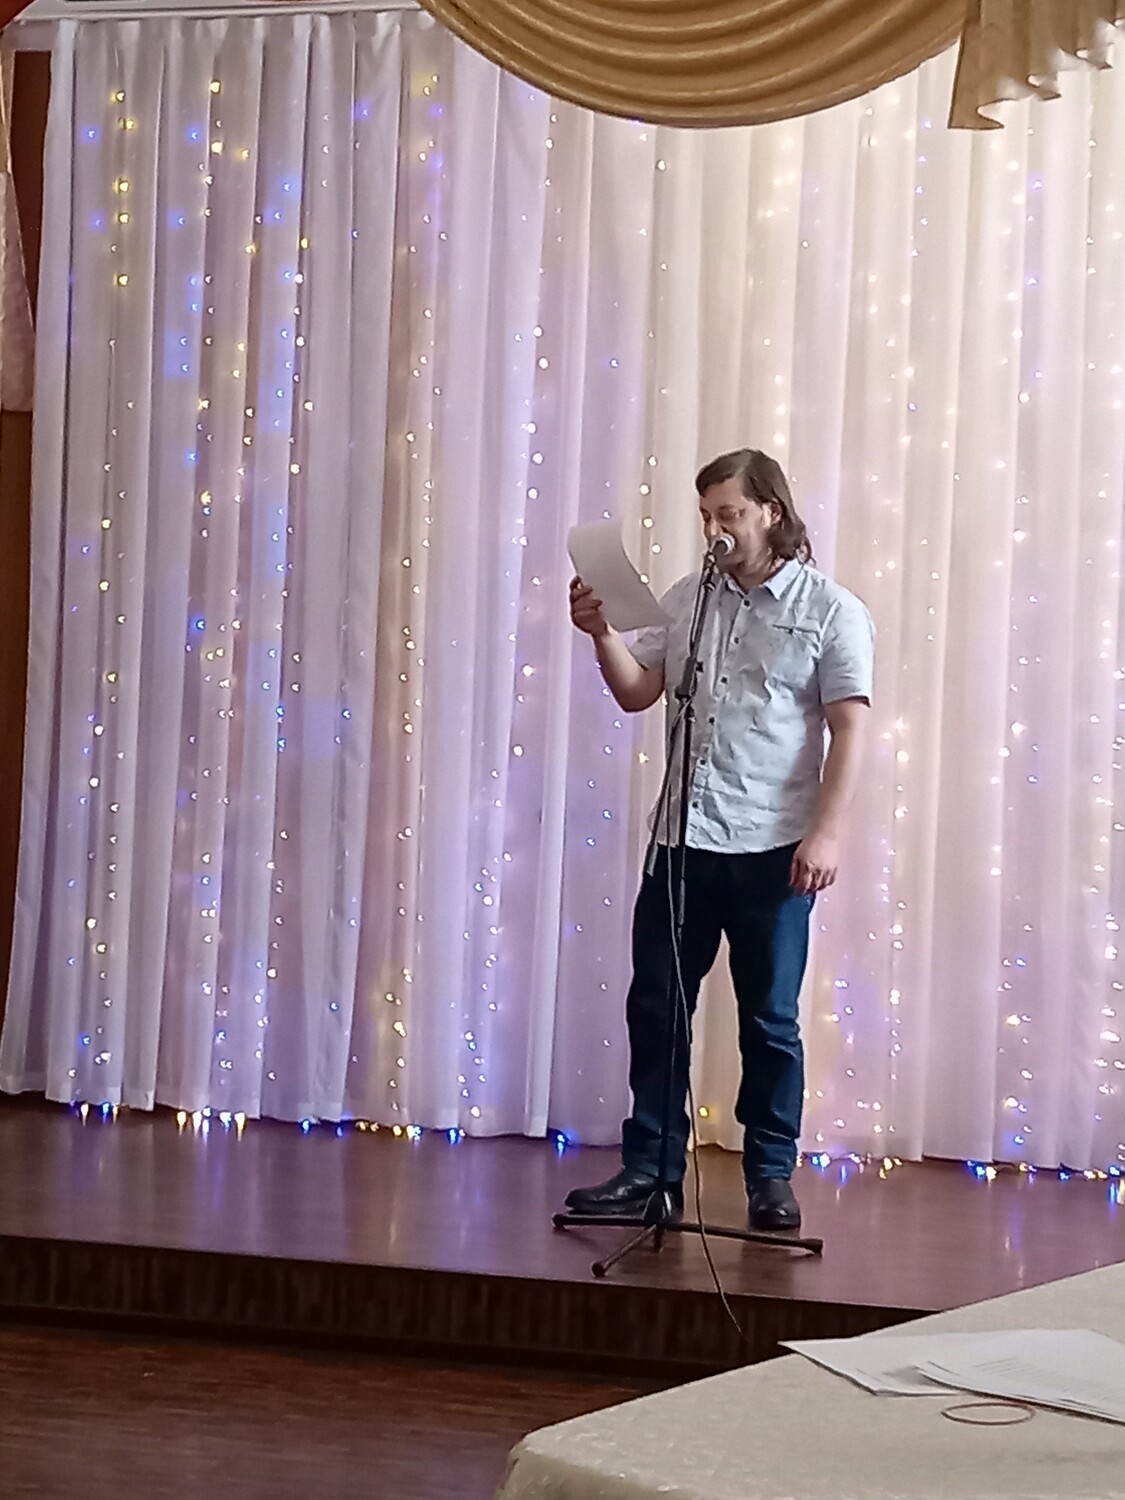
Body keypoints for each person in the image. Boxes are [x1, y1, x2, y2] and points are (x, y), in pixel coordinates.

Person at [565, 448, 873, 1231]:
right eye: (706, 515)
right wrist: (600, 634)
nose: (715, 530)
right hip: (680, 843)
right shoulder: (689, 598)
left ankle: (769, 1176)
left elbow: (850, 729)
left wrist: (825, 834)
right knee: (656, 1008)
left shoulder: (829, 609)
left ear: (771, 511)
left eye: (729, 513)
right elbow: (638, 691)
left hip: (773, 848)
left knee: (768, 1020)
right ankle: (651, 1171)